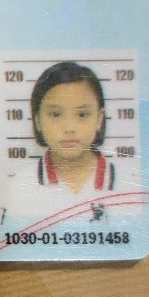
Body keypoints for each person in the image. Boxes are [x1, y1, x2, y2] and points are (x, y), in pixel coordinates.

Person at [29, 61, 114, 203]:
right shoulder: (19, 186)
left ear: (99, 119)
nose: (69, 128)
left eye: (82, 115)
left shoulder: (130, 182)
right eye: (56, 114)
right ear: (38, 121)